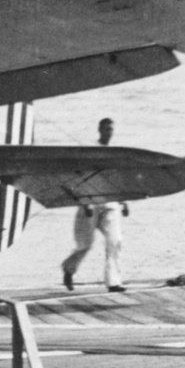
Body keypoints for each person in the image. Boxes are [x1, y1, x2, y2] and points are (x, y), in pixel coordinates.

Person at [61, 117, 128, 293]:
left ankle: (113, 282)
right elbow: (79, 178)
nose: (109, 132)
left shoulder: (115, 153)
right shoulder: (90, 151)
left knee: (116, 240)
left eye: (111, 129)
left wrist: (124, 200)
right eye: (106, 129)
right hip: (90, 202)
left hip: (110, 203)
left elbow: (118, 179)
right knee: (85, 244)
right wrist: (85, 202)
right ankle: (69, 268)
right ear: (99, 130)